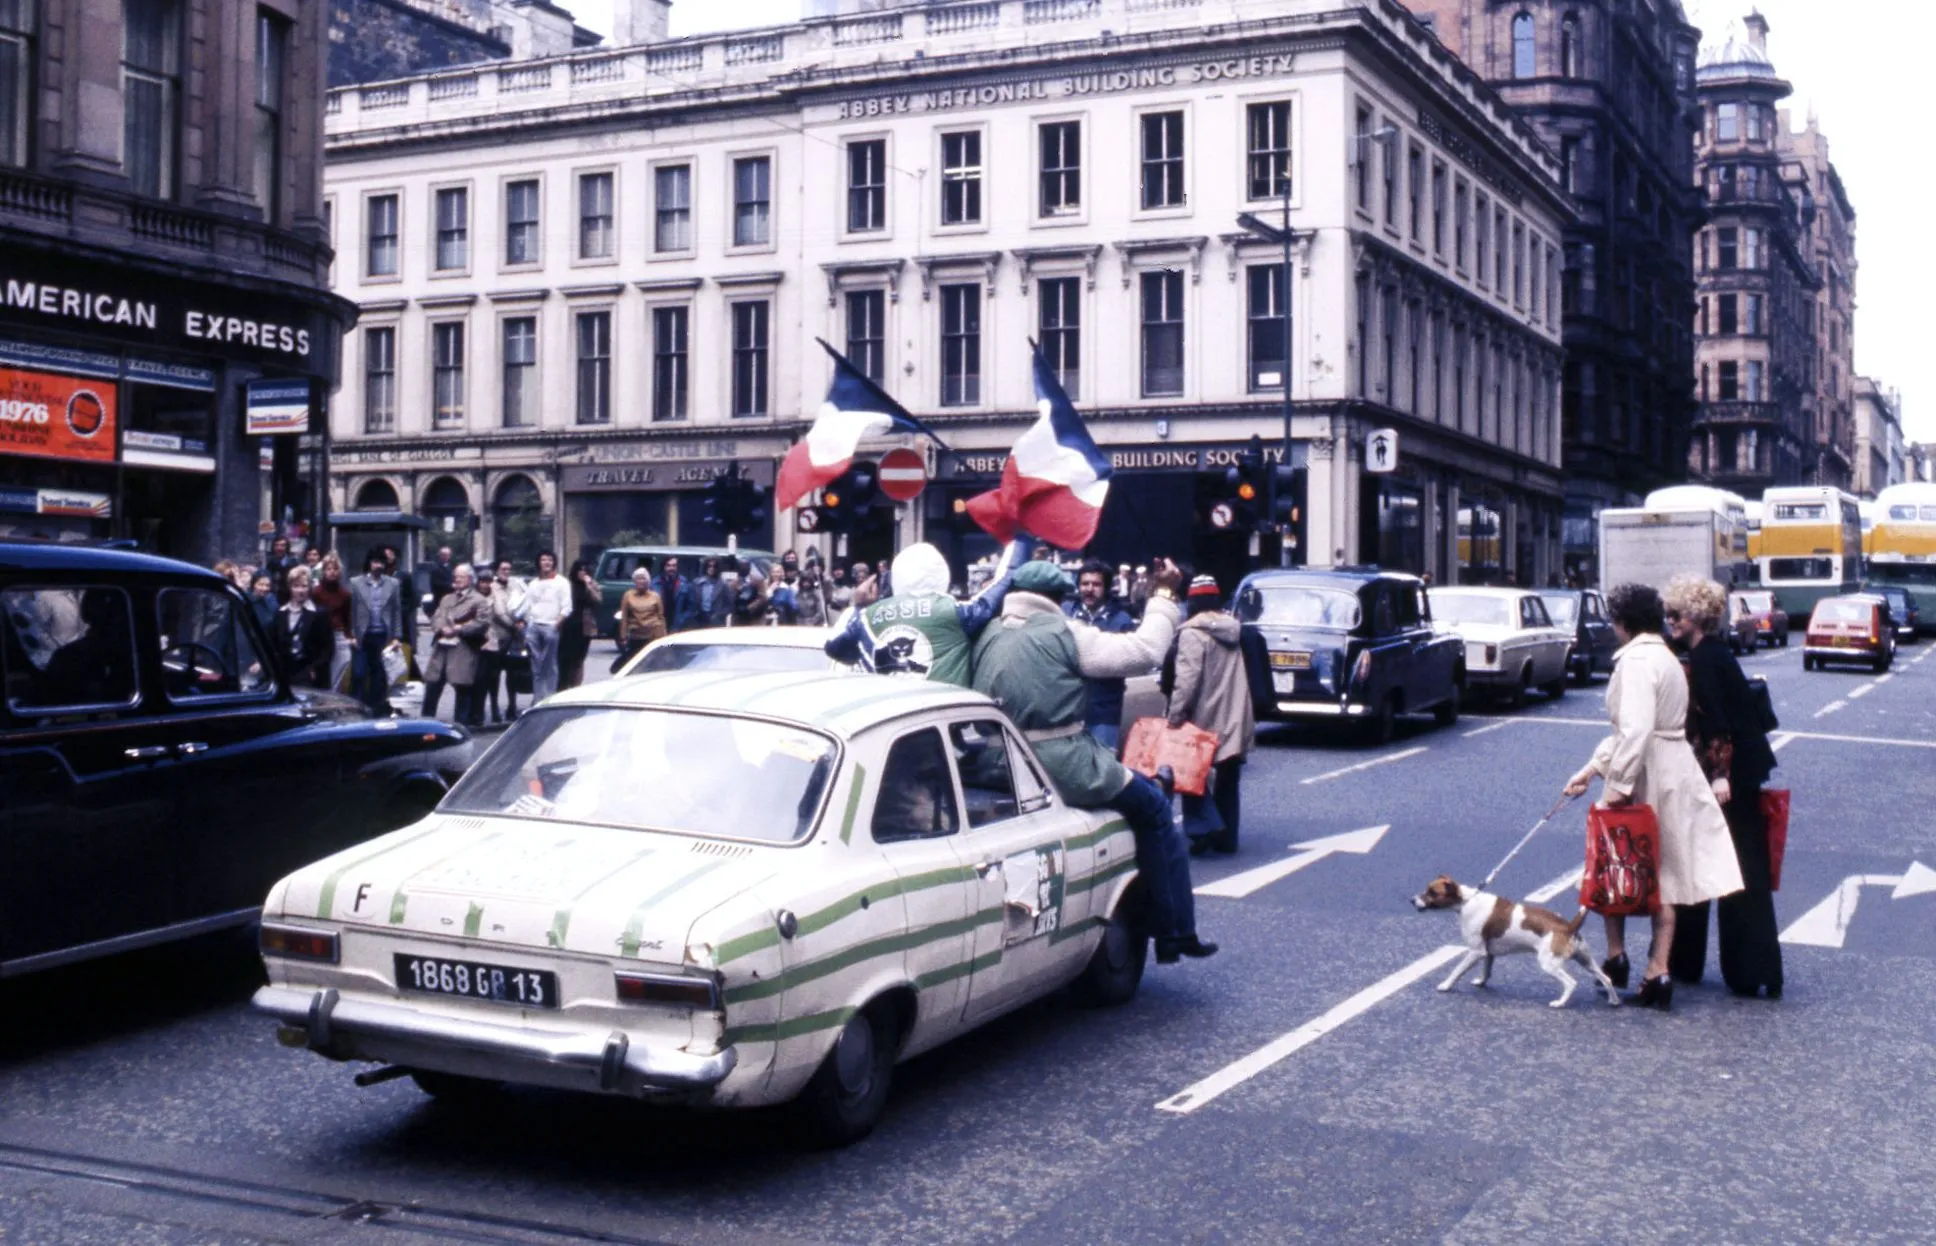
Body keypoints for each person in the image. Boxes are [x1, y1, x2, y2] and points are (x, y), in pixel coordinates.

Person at [972, 557, 1215, 964]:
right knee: (1155, 807)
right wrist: (1163, 597)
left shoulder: (985, 634)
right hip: (1061, 763)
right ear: (1056, 599)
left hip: (996, 762)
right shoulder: (1064, 631)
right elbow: (1145, 651)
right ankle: (1175, 931)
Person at [1564, 582, 1743, 1010]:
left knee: (1616, 864)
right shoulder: (1666, 655)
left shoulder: (1636, 662)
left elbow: (1635, 731)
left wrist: (1617, 786)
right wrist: (1590, 770)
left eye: (1614, 619)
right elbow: (1649, 729)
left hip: (1645, 772)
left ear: (1623, 622)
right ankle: (1658, 971)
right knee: (1665, 875)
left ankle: (1616, 956)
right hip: (1675, 768)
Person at [1662, 576, 1783, 999]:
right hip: (1737, 772)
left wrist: (1719, 776)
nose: (1670, 621)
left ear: (1695, 617)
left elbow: (1718, 721)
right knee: (1722, 865)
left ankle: (1740, 970)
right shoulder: (1710, 653)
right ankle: (1739, 969)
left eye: (1675, 614)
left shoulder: (1709, 660)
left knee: (1735, 869)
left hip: (1729, 778)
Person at [826, 541, 1023, 685]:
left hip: (885, 723)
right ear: (943, 574)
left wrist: (856, 606)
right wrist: (1020, 540)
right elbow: (1002, 581)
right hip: (940, 721)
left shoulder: (868, 615)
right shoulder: (954, 611)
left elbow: (834, 649)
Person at [1164, 575, 1257, 855]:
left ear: (1192, 603)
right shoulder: (1235, 631)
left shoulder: (1193, 633)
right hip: (1235, 714)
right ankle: (1228, 838)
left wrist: (1175, 715)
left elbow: (1187, 681)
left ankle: (1203, 829)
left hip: (1204, 717)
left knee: (1192, 775)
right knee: (1229, 779)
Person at [1063, 558, 1137, 751]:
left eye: (1096, 584)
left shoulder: (1122, 621)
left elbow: (1123, 662)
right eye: (1085, 584)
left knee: (1102, 771)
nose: (1089, 589)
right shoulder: (1065, 615)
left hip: (1104, 713)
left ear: (1106, 587)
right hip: (1067, 712)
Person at [421, 563, 488, 723]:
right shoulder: (446, 598)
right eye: (456, 576)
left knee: (462, 689)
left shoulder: (478, 600)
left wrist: (460, 628)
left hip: (463, 650)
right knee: (432, 686)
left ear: (471, 579)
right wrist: (441, 628)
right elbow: (437, 617)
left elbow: (482, 622)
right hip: (441, 650)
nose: (457, 579)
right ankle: (425, 723)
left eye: (461, 576)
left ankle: (460, 725)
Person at [349, 550, 404, 714]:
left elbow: (396, 611)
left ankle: (375, 709)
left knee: (379, 675)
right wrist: (351, 634)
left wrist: (396, 636)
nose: (378, 566)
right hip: (362, 635)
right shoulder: (355, 583)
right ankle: (355, 708)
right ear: (369, 563)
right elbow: (351, 611)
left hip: (382, 635)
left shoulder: (393, 584)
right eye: (374, 562)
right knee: (359, 673)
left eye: (381, 562)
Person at [271, 565, 334, 688]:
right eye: (296, 586)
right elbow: (274, 644)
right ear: (290, 588)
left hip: (309, 674)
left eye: (304, 586)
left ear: (309, 588)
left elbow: (328, 648)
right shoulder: (280, 613)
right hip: (285, 673)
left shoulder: (319, 614)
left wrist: (314, 669)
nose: (300, 590)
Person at [521, 550, 570, 701]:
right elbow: (528, 606)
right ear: (539, 563)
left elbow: (567, 607)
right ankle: (538, 698)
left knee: (550, 665)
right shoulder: (534, 584)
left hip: (551, 626)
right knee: (536, 666)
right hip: (534, 626)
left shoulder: (561, 582)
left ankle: (549, 697)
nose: (546, 563)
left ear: (554, 563)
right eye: (543, 560)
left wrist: (556, 625)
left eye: (549, 560)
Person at [473, 571, 516, 725]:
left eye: (488, 581)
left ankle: (494, 708)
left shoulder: (495, 596)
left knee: (494, 677)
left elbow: (501, 613)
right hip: (475, 642)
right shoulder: (473, 596)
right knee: (478, 679)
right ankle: (478, 712)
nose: (485, 585)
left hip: (493, 641)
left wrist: (513, 626)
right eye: (482, 581)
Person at [311, 551, 354, 689]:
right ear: (323, 571)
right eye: (329, 569)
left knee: (343, 662)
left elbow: (347, 617)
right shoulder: (316, 592)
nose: (332, 572)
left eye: (335, 569)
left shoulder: (345, 594)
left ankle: (334, 695)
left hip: (339, 634)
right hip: (321, 635)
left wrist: (350, 636)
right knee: (323, 670)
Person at [558, 559, 600, 690]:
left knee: (579, 659)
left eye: (585, 570)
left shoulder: (592, 585)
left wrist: (589, 585)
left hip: (584, 627)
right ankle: (562, 685)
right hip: (568, 626)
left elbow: (598, 600)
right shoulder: (567, 585)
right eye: (580, 570)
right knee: (564, 657)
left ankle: (575, 686)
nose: (582, 573)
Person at [616, 566, 667, 667]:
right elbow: (624, 617)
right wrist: (623, 636)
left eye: (643, 578)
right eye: (638, 578)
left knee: (652, 663)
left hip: (653, 634)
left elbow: (660, 617)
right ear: (634, 581)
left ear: (648, 581)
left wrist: (664, 636)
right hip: (636, 635)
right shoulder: (628, 595)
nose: (641, 581)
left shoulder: (655, 596)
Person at [653, 556, 687, 628]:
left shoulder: (684, 583)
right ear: (664, 567)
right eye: (668, 565)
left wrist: (681, 619)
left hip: (677, 625)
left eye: (674, 566)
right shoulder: (654, 583)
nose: (671, 568)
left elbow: (691, 607)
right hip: (659, 623)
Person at [426, 546, 456, 617]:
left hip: (451, 597)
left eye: (448, 555)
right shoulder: (435, 567)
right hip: (440, 597)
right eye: (444, 555)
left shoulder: (450, 567)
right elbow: (436, 583)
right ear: (440, 555)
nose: (446, 557)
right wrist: (450, 585)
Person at [246, 572, 279, 637]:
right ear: (253, 584)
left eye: (267, 585)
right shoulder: (245, 601)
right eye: (261, 584)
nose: (264, 588)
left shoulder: (272, 602)